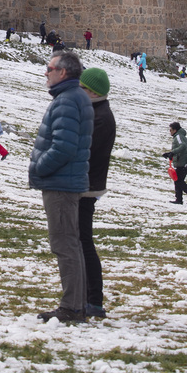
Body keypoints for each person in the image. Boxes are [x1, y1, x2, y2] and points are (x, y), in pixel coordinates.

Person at [29, 51, 93, 324]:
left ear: (63, 72)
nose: (46, 72)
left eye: (49, 68)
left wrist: (38, 167)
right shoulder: (73, 97)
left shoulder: (67, 100)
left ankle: (72, 308)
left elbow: (64, 147)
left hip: (61, 182)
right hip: (65, 181)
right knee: (70, 243)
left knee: (64, 244)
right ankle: (76, 305)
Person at [78, 66, 115, 318]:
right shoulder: (94, 112)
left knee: (84, 244)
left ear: (93, 92)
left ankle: (94, 301)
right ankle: (86, 298)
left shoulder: (100, 117)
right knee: (79, 243)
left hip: (85, 188)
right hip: (83, 185)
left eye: (82, 89)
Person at [163, 121, 187, 204]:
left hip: (183, 163)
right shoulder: (179, 136)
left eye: (170, 130)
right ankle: (179, 199)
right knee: (177, 180)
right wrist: (170, 154)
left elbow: (183, 146)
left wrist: (172, 152)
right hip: (182, 162)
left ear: (175, 130)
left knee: (179, 181)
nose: (170, 132)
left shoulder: (178, 136)